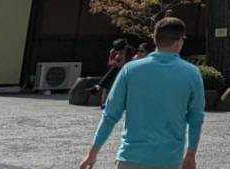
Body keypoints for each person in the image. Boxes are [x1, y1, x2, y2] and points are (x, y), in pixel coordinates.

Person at [78, 16, 204, 169]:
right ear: (179, 42)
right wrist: (190, 155)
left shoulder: (130, 70)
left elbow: (110, 114)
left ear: (155, 39)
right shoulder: (192, 73)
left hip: (131, 156)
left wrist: (92, 153)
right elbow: (196, 118)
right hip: (169, 158)